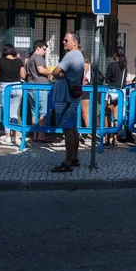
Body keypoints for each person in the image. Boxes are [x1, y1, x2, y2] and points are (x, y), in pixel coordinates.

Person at [50, 32, 85, 173]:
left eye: (66, 41)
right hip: (72, 97)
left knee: (68, 130)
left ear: (75, 42)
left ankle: (67, 162)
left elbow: (55, 71)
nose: (64, 43)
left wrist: (58, 73)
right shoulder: (80, 56)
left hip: (65, 98)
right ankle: (74, 158)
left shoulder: (71, 55)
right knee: (73, 129)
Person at [0, 44, 26, 144]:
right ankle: (14, 136)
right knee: (14, 113)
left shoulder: (0, 61)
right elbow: (23, 76)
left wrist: (2, 76)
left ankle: (7, 136)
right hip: (17, 87)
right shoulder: (19, 61)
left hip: (5, 87)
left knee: (6, 113)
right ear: (13, 51)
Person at [26, 40, 53, 142]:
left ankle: (35, 135)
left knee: (34, 112)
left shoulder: (29, 59)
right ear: (38, 48)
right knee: (43, 112)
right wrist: (53, 72)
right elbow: (41, 70)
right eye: (44, 49)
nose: (44, 52)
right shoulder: (38, 57)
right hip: (40, 88)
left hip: (31, 87)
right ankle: (42, 135)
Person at [104, 46, 128, 147]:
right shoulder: (124, 67)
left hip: (112, 91)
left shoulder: (111, 65)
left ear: (115, 54)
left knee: (107, 114)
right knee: (117, 116)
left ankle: (107, 139)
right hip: (121, 92)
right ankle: (115, 138)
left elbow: (107, 79)